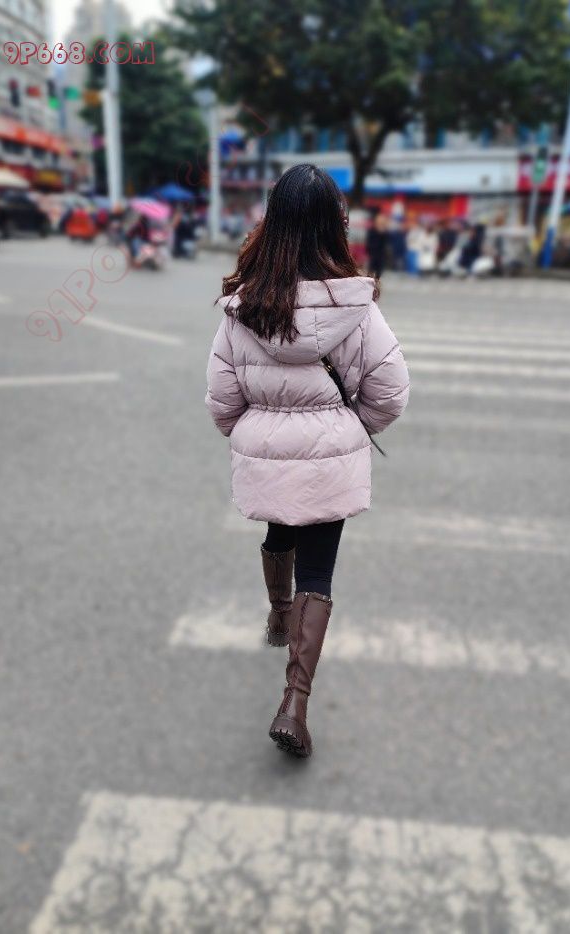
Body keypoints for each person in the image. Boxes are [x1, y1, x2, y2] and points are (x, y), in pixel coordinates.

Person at [204, 164, 410, 758]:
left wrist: (254, 435)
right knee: (317, 573)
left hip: (267, 453)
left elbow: (221, 399)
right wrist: (348, 429)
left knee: (279, 530)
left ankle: (277, 614)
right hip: (330, 459)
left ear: (273, 223)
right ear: (333, 226)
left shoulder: (244, 307)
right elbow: (391, 391)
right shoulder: (357, 307)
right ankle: (294, 705)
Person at [365, 210, 390, 278]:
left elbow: (386, 243)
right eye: (379, 222)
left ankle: (377, 279)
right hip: (373, 252)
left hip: (381, 253)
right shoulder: (372, 231)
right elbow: (369, 242)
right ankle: (369, 278)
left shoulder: (385, 233)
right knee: (371, 267)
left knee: (379, 269)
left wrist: (383, 232)